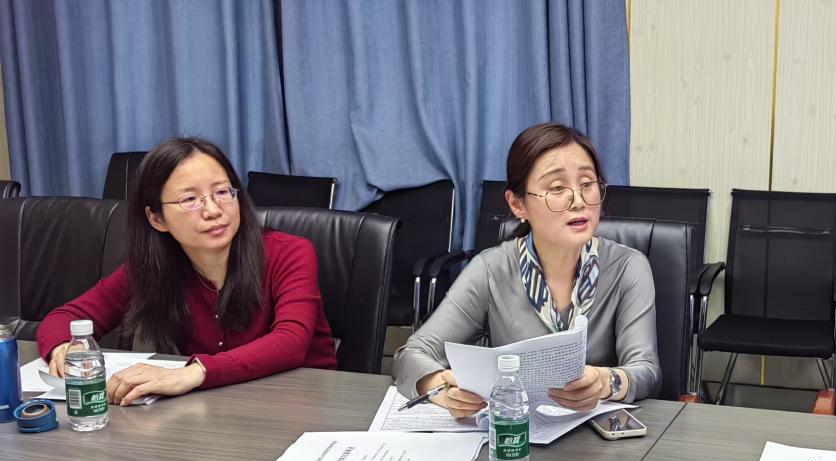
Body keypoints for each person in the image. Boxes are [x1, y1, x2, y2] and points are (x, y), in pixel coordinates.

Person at [37, 137, 337, 404]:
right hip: (217, 411)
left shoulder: (290, 253)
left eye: (222, 192)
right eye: (190, 199)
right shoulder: (152, 268)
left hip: (301, 404)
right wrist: (64, 347)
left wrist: (193, 373)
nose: (213, 210)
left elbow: (290, 341)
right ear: (157, 219)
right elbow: (66, 317)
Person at [394, 122, 660, 415]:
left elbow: (647, 370)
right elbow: (411, 354)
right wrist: (441, 388)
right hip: (515, 431)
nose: (578, 201)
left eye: (587, 184)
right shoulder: (492, 269)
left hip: (593, 432)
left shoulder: (628, 267)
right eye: (557, 188)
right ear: (517, 204)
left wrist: (607, 381)